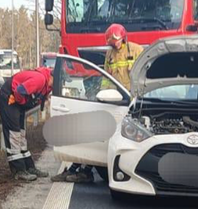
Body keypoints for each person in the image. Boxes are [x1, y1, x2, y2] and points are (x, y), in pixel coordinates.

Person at [53, 24, 146, 184]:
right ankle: (79, 169)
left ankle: (83, 170)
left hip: (131, 103)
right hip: (114, 100)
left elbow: (145, 75)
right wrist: (101, 96)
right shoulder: (110, 54)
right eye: (110, 40)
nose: (113, 43)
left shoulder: (136, 50)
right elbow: (106, 77)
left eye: (115, 39)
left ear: (122, 37)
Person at [0, 66, 52, 181]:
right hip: (10, 98)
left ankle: (29, 167)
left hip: (17, 102)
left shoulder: (47, 84)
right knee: (14, 134)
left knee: (21, 134)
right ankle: (19, 171)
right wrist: (22, 102)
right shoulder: (40, 80)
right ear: (52, 77)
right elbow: (20, 90)